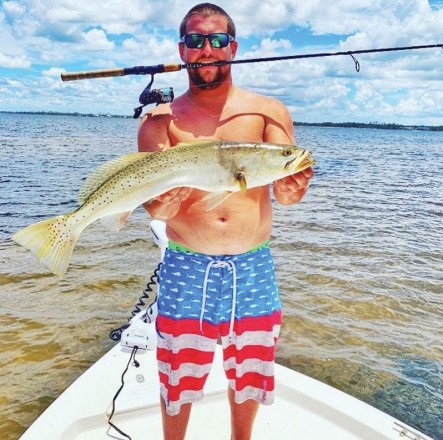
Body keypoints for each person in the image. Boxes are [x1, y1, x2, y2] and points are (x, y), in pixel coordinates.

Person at [138, 3, 313, 439]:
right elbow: (153, 206)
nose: (206, 49)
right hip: (186, 263)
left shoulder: (269, 111)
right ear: (182, 49)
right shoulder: (160, 121)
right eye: (196, 40)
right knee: (177, 373)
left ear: (233, 47)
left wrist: (292, 190)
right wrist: (157, 206)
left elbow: (286, 187)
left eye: (217, 40)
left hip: (253, 264)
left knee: (251, 370)